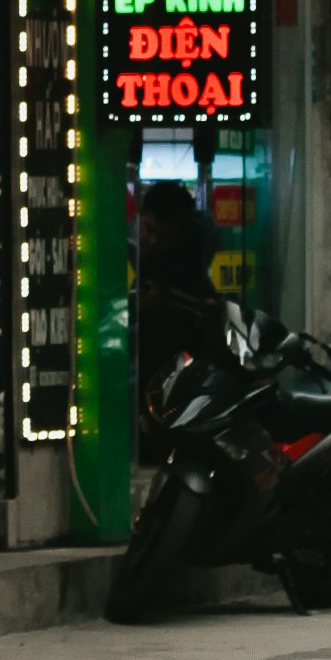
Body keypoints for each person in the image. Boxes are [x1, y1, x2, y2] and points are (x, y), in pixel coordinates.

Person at [132, 176, 222, 460]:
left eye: (166, 235)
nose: (154, 241)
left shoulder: (188, 265)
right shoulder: (122, 250)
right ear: (140, 218)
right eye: (149, 229)